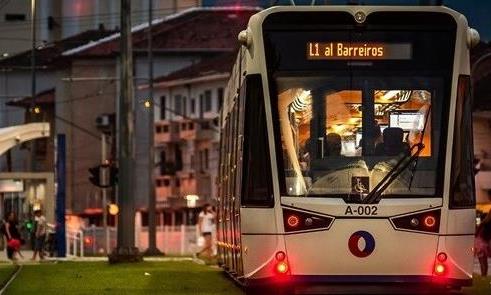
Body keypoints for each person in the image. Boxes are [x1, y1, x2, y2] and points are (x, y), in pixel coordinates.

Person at [476, 212, 491, 276]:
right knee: (485, 263)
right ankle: (484, 276)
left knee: (482, 263)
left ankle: (483, 276)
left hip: (479, 244)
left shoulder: (483, 224)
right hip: (484, 244)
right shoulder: (488, 225)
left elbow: (476, 234)